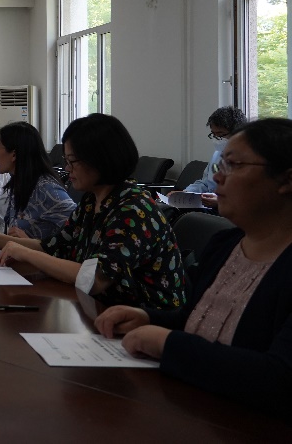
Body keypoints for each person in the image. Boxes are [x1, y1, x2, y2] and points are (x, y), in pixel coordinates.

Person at [95, 118, 292, 416]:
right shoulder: (225, 244)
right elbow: (198, 320)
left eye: (234, 165)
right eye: (220, 165)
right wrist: (148, 318)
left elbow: (280, 379)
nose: (218, 178)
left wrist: (168, 344)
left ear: (286, 180)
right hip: (195, 406)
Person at [0, 113, 186, 309]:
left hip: (144, 319)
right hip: (98, 307)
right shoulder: (92, 200)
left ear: (99, 160)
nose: (67, 169)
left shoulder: (133, 209)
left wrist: (25, 253)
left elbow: (95, 279)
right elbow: (52, 246)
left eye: (72, 161)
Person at [0, 121, 75, 239]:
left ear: (14, 155)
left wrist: (27, 241)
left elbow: (78, 231)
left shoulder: (46, 188)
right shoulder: (18, 182)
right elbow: (14, 234)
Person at [171, 106, 246, 210]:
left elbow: (250, 196)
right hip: (208, 206)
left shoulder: (250, 160)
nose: (217, 139)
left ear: (238, 133)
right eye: (213, 135)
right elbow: (206, 183)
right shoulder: (217, 154)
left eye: (220, 134)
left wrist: (221, 201)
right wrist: (186, 193)